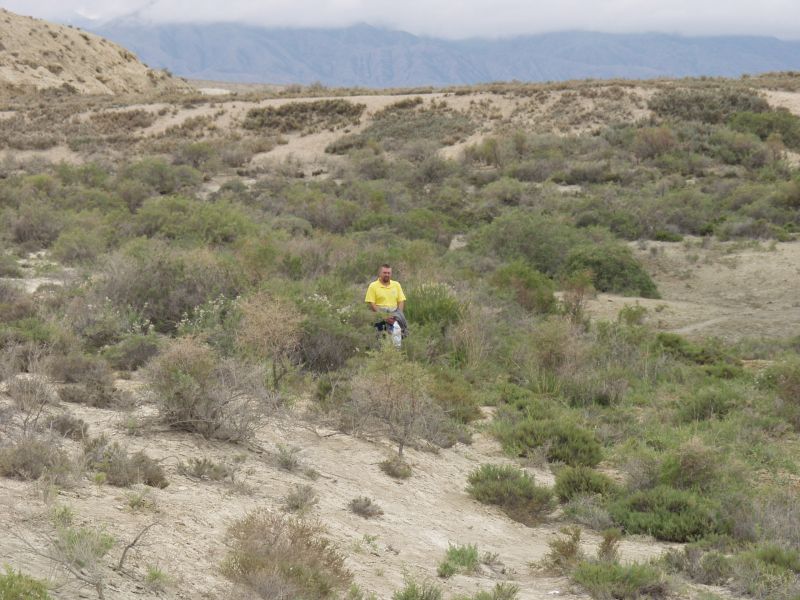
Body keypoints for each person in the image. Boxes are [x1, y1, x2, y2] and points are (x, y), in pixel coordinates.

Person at [365, 264, 408, 342]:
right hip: (379, 315)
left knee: (398, 340)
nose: (387, 275)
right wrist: (384, 317)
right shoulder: (373, 286)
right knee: (381, 340)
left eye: (389, 273)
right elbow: (372, 304)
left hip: (395, 314)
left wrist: (397, 315)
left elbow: (401, 301)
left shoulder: (396, 285)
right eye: (384, 273)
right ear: (380, 273)